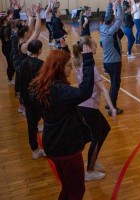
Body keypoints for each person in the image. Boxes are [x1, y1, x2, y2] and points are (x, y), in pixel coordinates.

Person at [30, 46, 95, 200]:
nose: (71, 68)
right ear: (59, 67)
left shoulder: (43, 86)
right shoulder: (59, 91)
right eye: (68, 65)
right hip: (66, 148)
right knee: (77, 190)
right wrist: (88, 60)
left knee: (67, 188)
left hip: (53, 144)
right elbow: (85, 92)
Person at [73, 36, 116, 181]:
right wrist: (112, 108)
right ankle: (90, 171)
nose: (97, 46)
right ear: (88, 48)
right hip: (88, 107)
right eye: (94, 45)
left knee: (104, 130)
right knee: (98, 135)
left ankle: (93, 159)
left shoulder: (80, 63)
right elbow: (104, 89)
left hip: (83, 106)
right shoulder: (91, 67)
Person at [18, 40, 45, 159]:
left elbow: (20, 81)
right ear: (39, 50)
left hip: (27, 98)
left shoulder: (23, 62)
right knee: (48, 122)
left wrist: (21, 98)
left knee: (31, 125)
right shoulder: (41, 64)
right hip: (38, 98)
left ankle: (34, 150)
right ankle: (48, 147)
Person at [100, 0, 124, 115]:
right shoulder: (110, 31)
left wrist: (110, 3)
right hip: (114, 62)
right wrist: (118, 4)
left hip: (107, 62)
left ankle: (109, 103)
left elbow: (108, 16)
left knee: (113, 84)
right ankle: (112, 108)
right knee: (115, 85)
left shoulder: (103, 27)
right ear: (111, 23)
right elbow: (119, 19)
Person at [0, 14, 15, 84]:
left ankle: (11, 76)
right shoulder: (3, 29)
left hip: (7, 48)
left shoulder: (4, 27)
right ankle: (10, 79)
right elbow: (6, 38)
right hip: (7, 48)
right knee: (10, 63)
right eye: (8, 18)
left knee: (12, 62)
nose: (10, 18)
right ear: (5, 20)